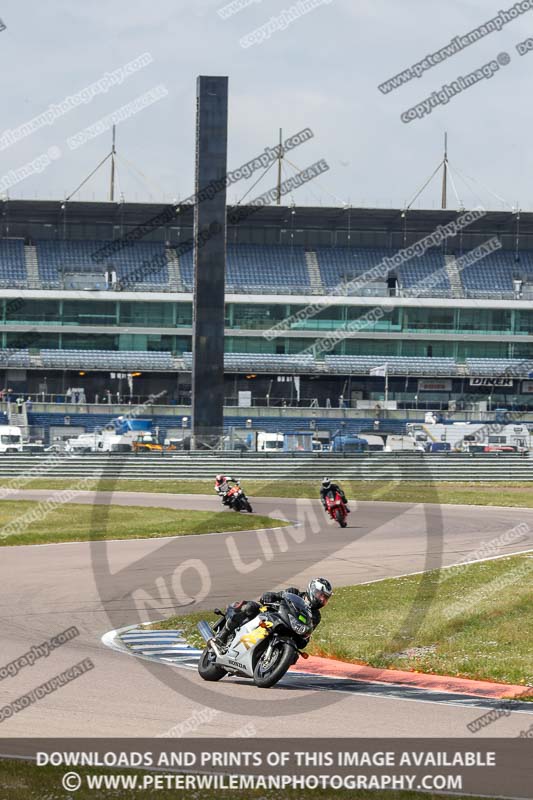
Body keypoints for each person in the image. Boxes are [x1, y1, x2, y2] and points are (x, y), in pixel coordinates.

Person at [215, 577, 333, 649]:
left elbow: (308, 632)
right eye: (321, 595)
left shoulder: (316, 616)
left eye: (325, 598)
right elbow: (277, 596)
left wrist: (304, 639)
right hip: (270, 616)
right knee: (249, 607)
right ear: (312, 590)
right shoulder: (294, 592)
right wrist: (271, 596)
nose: (322, 600)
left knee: (294, 656)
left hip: (287, 630)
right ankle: (223, 636)